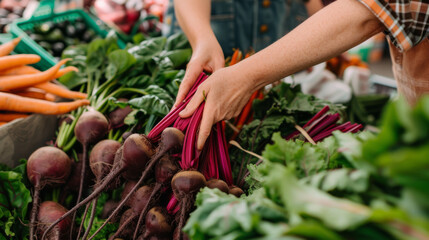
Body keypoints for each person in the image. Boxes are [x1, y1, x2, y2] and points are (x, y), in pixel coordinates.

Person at [172, 0, 429, 150]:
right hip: (222, 32)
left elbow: (370, 12)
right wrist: (202, 38)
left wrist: (247, 76)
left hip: (280, 41)